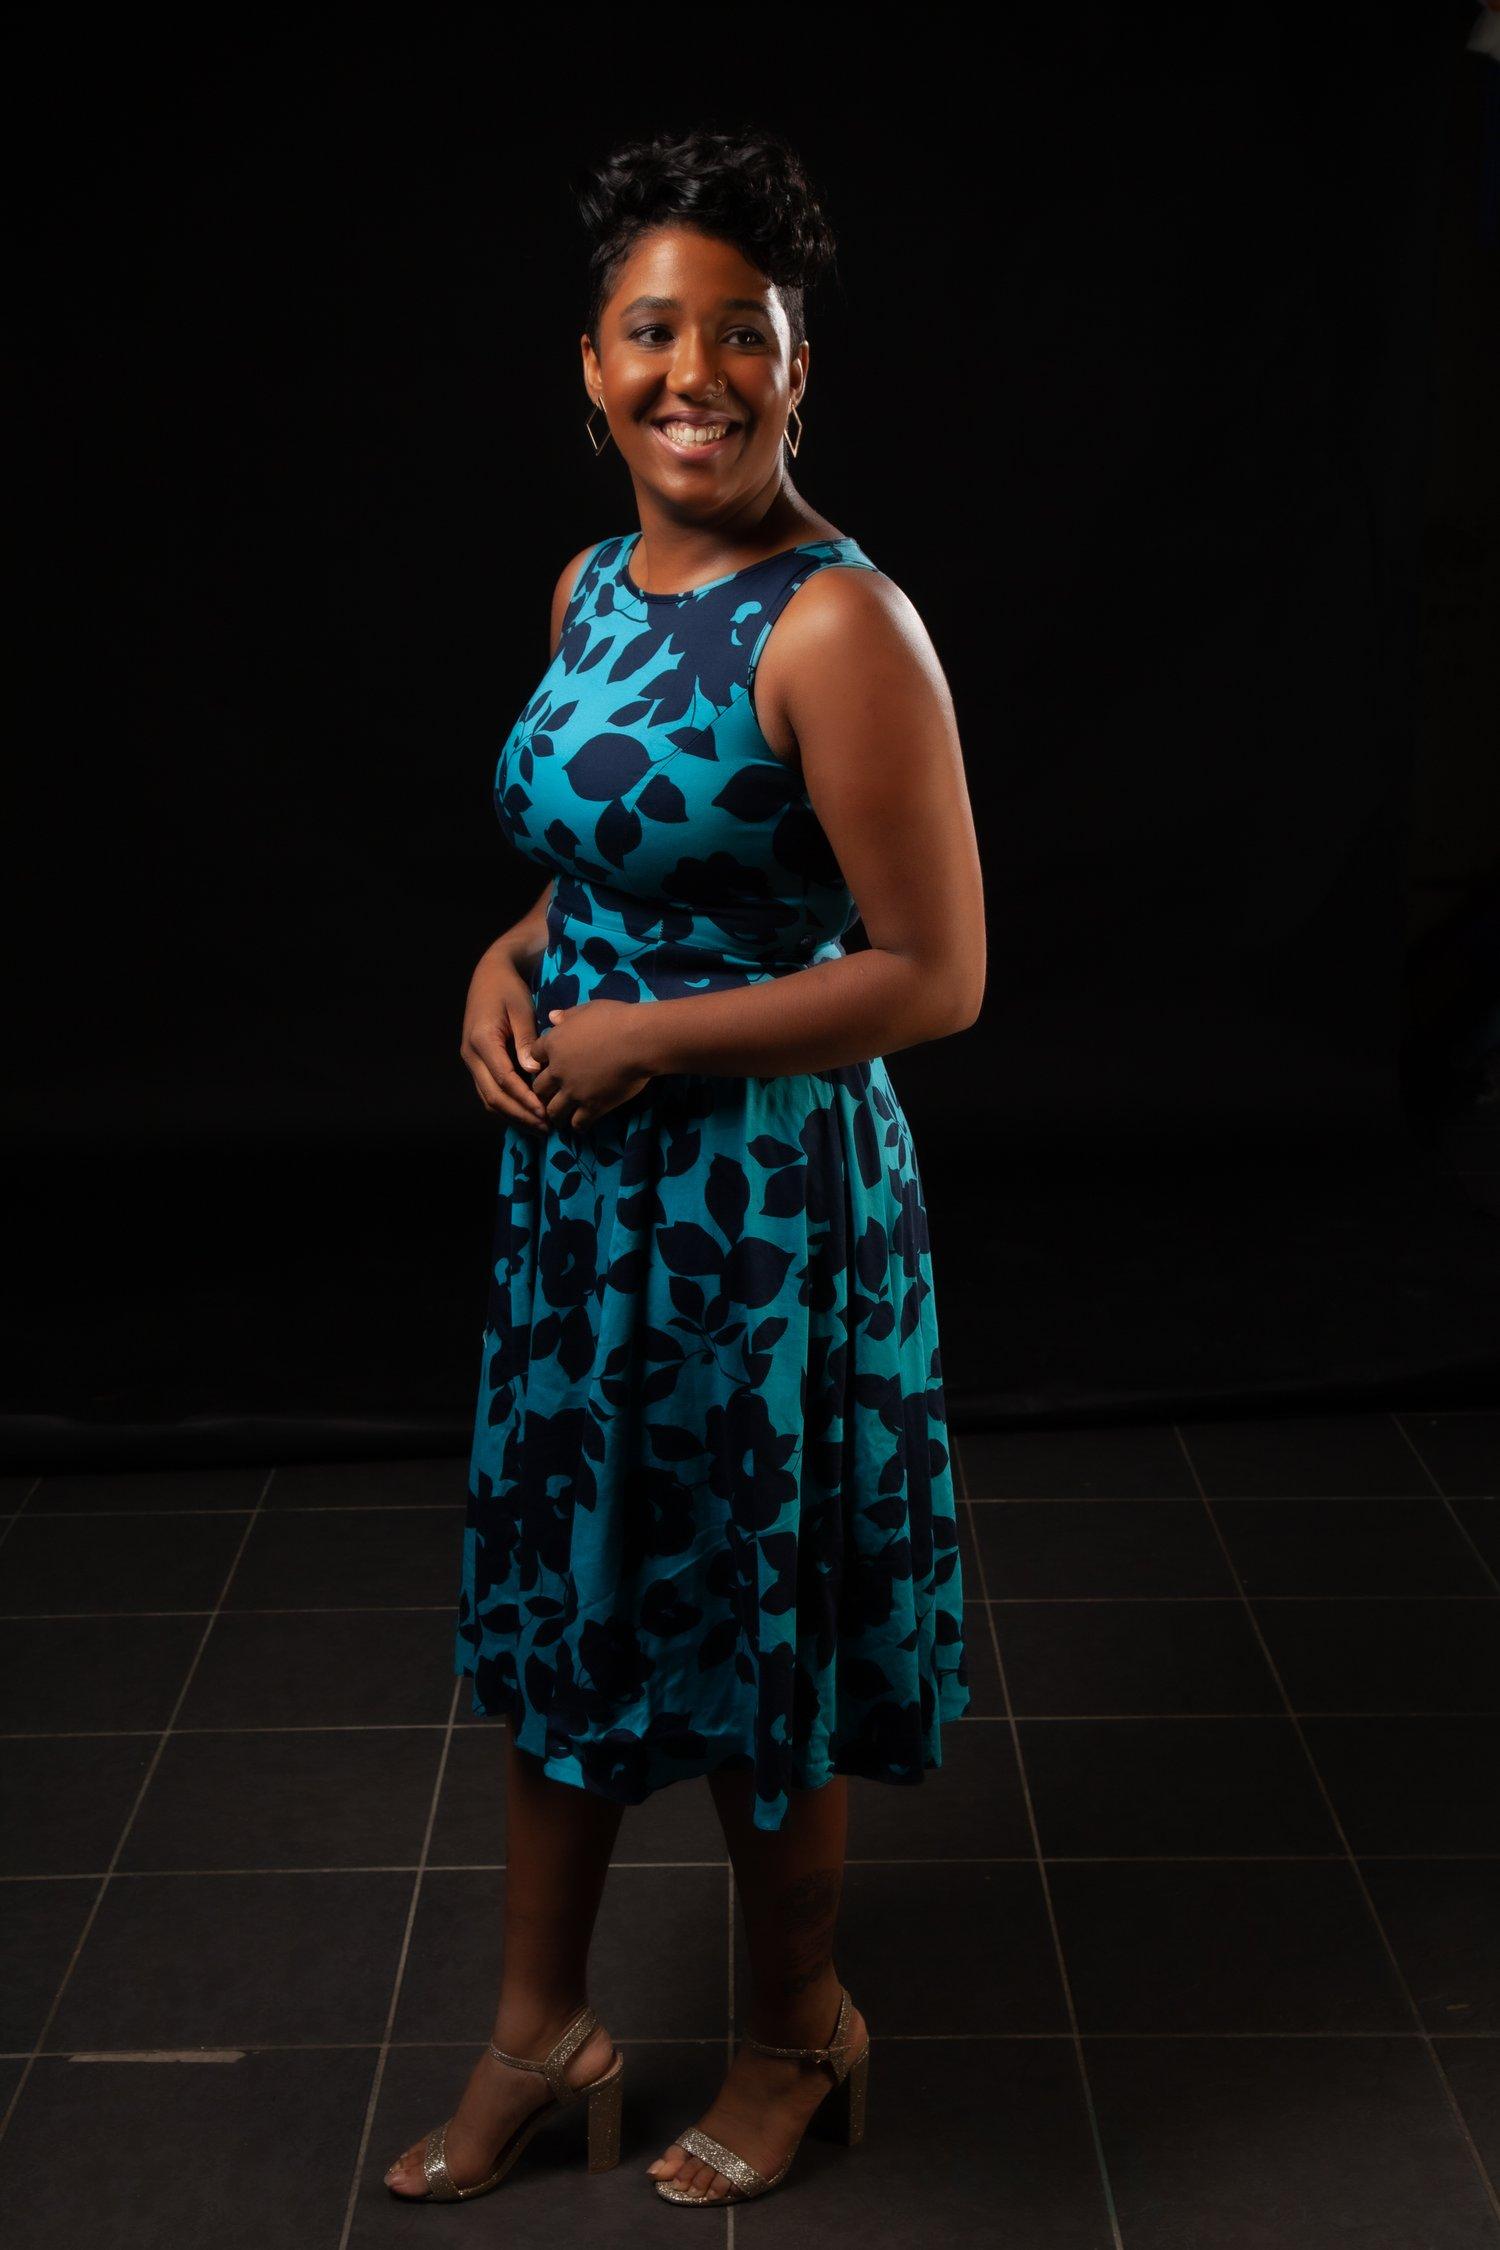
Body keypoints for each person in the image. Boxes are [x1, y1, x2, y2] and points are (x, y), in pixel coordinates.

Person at [385, 121, 986, 2210]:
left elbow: (939, 974)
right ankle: (541, 2026)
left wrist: (652, 1037)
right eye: (656, 333)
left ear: (799, 367)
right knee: (574, 1606)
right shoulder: (585, 584)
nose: (694, 376)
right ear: (590, 362)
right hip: (587, 1211)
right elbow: (597, 859)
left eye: (745, 336)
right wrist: (510, 955)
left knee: (754, 1638)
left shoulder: (841, 626)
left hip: (769, 1218)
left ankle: (792, 2028)